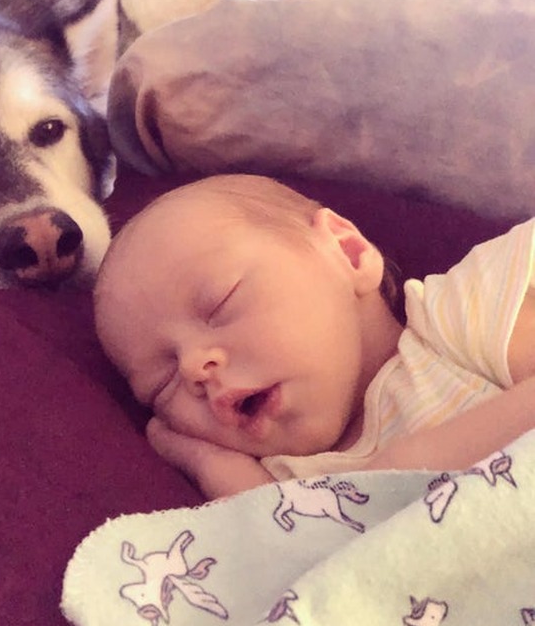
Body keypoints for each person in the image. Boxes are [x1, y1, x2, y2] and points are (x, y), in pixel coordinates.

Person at [93, 174, 535, 499]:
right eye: (161, 385)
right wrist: (212, 467)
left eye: (219, 303)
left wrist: (389, 478)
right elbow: (288, 565)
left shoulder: (460, 320)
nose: (193, 368)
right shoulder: (287, 488)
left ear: (348, 252)